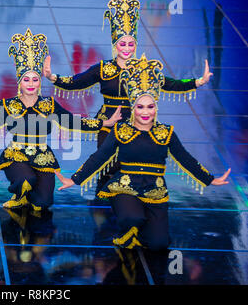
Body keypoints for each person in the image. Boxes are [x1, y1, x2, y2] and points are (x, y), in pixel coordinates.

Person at [55, 54, 230, 251]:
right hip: (125, 187)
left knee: (159, 244)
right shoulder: (121, 131)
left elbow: (185, 160)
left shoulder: (166, 133)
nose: (145, 112)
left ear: (156, 108)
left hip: (154, 190)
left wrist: (209, 179)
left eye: (150, 107)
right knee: (133, 217)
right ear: (134, 107)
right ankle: (129, 226)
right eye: (140, 107)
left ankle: (143, 229)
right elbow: (99, 158)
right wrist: (75, 179)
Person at [0, 28, 121, 212]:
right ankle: (19, 195)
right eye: (26, 80)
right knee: (25, 181)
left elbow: (71, 121)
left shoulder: (48, 105)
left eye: (35, 79)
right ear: (19, 82)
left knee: (43, 203)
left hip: (42, 156)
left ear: (40, 81)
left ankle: (31, 193)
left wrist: (104, 123)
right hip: (17, 155)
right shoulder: (9, 106)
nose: (31, 84)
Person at [42, 0, 213, 189]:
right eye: (122, 44)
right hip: (109, 123)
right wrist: (52, 77)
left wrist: (198, 81)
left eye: (131, 44)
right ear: (115, 44)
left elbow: (171, 84)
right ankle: (105, 205)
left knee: (131, 171)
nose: (127, 48)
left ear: (135, 45)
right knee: (107, 167)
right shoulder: (103, 69)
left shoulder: (144, 69)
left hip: (139, 124)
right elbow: (75, 82)